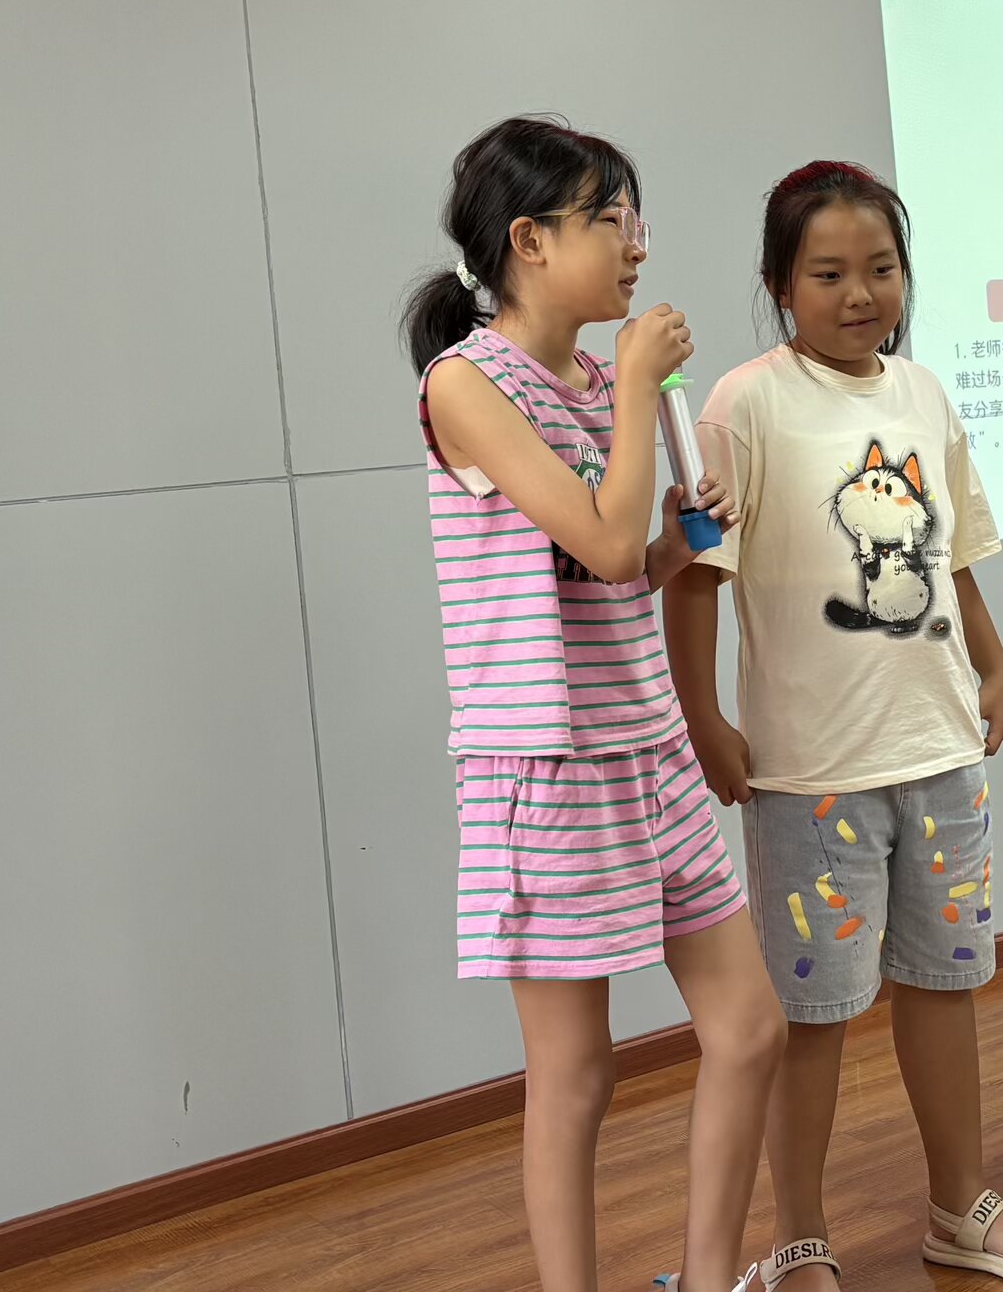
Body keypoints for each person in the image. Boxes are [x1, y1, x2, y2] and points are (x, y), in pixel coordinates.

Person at [663, 161, 1003, 1292]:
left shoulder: (924, 393)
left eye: (881, 268)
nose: (860, 294)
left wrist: (991, 659)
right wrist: (703, 718)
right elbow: (694, 576)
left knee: (945, 989)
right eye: (828, 273)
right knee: (812, 1016)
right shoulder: (743, 404)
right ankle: (798, 1237)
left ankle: (959, 1206)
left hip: (939, 753)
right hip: (812, 775)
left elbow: (954, 554)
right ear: (779, 285)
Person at [404, 117, 785, 1292]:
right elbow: (604, 543)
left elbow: (618, 561)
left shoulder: (589, 381)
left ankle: (707, 1280)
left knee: (749, 1027)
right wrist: (631, 392)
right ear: (529, 240)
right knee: (575, 1074)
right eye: (611, 219)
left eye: (636, 220)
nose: (637, 245)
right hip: (551, 763)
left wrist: (678, 540)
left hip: (646, 745)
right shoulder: (465, 384)